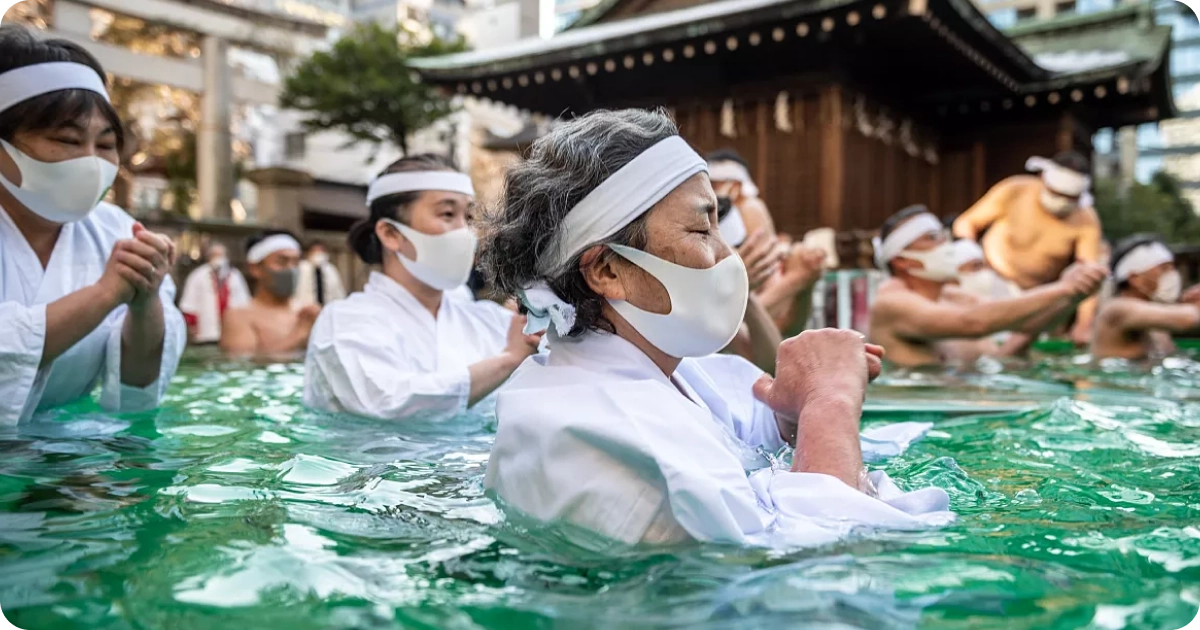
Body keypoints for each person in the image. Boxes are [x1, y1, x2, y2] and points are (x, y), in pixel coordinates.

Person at [479, 109, 953, 548]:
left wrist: (791, 414)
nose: (729, 256)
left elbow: (741, 431)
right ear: (607, 271)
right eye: (702, 230)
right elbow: (820, 575)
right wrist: (829, 404)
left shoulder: (673, 374)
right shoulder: (595, 429)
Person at [0, 24, 186, 423]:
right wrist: (104, 293)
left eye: (105, 145)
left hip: (58, 451)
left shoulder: (114, 230)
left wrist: (144, 300)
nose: (90, 161)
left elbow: (136, 388)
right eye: (68, 141)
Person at [303, 154, 539, 420]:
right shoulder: (343, 324)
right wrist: (506, 360)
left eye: (468, 216)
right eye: (447, 214)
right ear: (391, 234)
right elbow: (385, 402)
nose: (465, 231)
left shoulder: (489, 322)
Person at [869, 205, 1108, 368]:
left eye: (944, 235)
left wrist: (1075, 296)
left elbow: (1027, 323)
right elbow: (973, 322)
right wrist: (1062, 288)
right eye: (933, 238)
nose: (947, 244)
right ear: (902, 260)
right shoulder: (891, 302)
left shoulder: (953, 297)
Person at [952, 151, 1104, 345]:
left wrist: (1084, 325)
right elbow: (966, 223)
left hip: (1038, 295)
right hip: (991, 279)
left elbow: (1089, 273)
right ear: (1043, 178)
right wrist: (970, 260)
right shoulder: (1015, 190)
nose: (1061, 201)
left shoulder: (1086, 219)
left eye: (1069, 197)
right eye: (1056, 193)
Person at [1092, 235, 1200, 360]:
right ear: (1135, 279)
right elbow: (1186, 319)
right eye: (1164, 268)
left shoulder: (1156, 323)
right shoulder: (1116, 309)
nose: (1173, 275)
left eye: (1172, 268)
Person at [219, 230, 319, 357]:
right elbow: (243, 368)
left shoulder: (307, 312)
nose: (291, 269)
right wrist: (299, 335)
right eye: (281, 262)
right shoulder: (239, 316)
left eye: (295, 263)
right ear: (255, 269)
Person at [178, 243, 250, 344]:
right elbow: (190, 303)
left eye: (221, 255)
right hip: (206, 332)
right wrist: (192, 325)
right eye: (215, 255)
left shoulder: (235, 276)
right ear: (209, 257)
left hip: (232, 333)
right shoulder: (198, 275)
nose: (219, 259)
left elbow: (244, 303)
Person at [295, 240, 346, 308]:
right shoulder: (300, 268)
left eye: (321, 251)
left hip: (327, 310)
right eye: (315, 251)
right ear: (309, 253)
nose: (318, 253)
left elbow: (338, 292)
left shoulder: (330, 269)